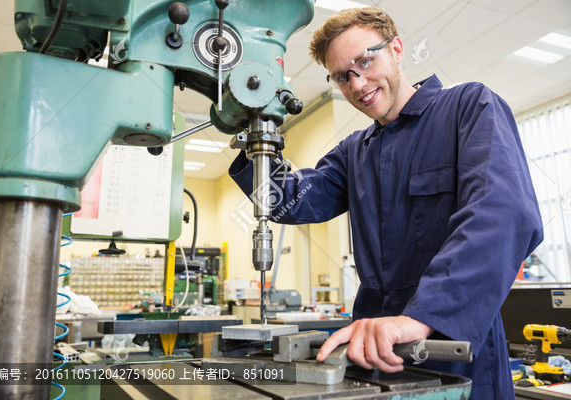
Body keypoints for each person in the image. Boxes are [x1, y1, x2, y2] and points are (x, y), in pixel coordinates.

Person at [229, 7, 543, 399]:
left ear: (396, 48)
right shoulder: (354, 151)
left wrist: (420, 315)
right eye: (343, 76)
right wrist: (252, 141)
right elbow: (289, 201)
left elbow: (503, 214)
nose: (357, 84)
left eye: (365, 61)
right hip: (372, 351)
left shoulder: (468, 107)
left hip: (457, 345)